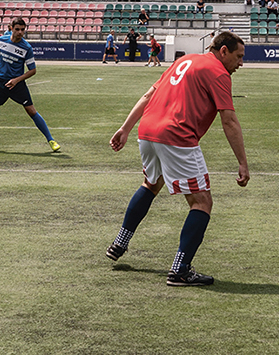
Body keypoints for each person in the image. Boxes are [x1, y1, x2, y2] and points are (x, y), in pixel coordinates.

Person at [105, 31, 250, 287]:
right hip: (176, 135)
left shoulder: (183, 60)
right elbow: (229, 120)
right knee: (202, 202)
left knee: (151, 184)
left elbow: (148, 96)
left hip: (148, 130)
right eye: (238, 57)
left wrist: (125, 128)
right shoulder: (218, 72)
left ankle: (120, 242)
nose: (241, 64)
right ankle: (180, 269)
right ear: (223, 51)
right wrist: (242, 162)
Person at [0, 17, 60, 152]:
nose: (20, 32)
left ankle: (51, 140)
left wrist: (16, 80)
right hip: (0, 81)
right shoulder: (2, 40)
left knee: (31, 111)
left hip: (17, 84)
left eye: (22, 30)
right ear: (11, 28)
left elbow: (33, 70)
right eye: (17, 29)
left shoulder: (26, 47)